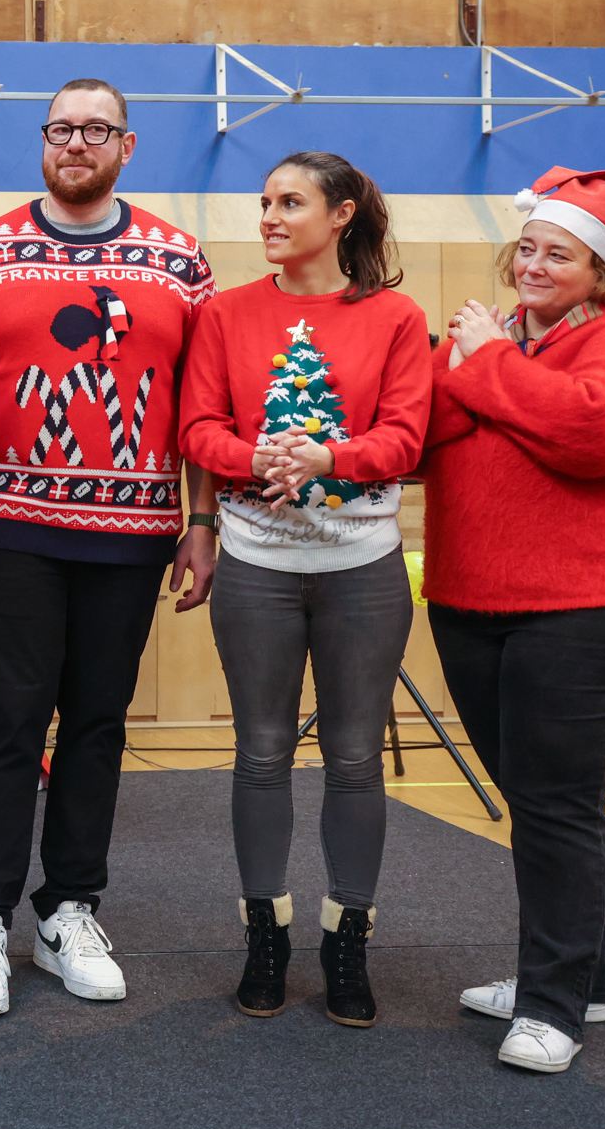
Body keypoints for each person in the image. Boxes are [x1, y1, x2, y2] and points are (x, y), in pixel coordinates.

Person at [0, 78, 218, 1017]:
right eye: (61, 128)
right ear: (43, 142)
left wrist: (202, 521)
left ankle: (69, 910)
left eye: (96, 129)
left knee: (97, 723)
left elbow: (203, 406)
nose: (76, 143)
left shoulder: (180, 261)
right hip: (7, 529)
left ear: (128, 146)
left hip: (132, 536)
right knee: (6, 721)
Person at [425, 166, 605, 1073]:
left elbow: (598, 435)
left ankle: (553, 1005)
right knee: (538, 801)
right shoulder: (496, 344)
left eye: (561, 255)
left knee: (556, 803)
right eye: (529, 249)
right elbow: (422, 434)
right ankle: (579, 978)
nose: (535, 266)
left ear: (603, 271)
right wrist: (491, 378)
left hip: (604, 607)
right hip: (478, 604)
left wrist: (485, 370)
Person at [178, 152, 430, 1026]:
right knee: (261, 753)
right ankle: (266, 936)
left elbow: (406, 437)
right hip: (258, 568)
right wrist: (256, 458)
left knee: (356, 759)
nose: (270, 217)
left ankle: (346, 939)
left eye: (290, 202)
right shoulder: (225, 313)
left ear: (342, 214)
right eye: (265, 202)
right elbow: (196, 427)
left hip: (363, 570)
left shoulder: (396, 316)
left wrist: (331, 457)